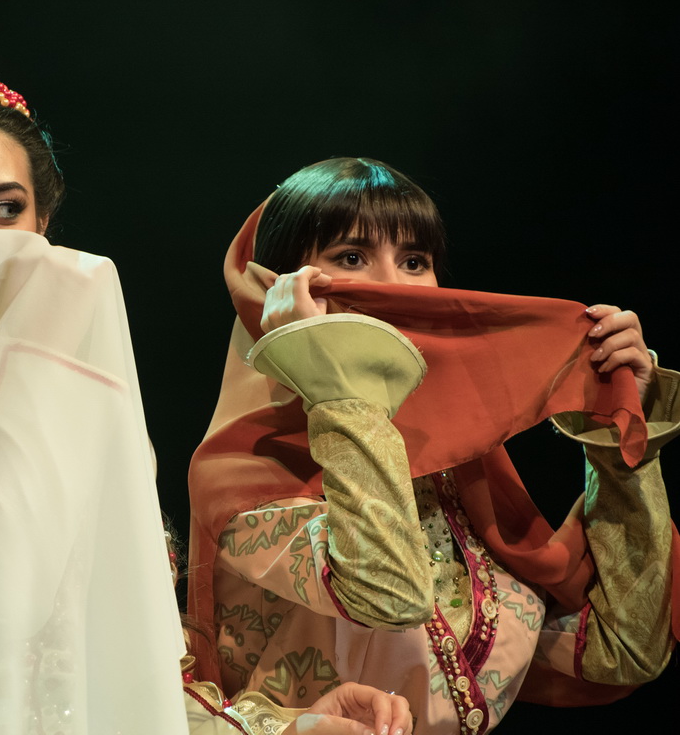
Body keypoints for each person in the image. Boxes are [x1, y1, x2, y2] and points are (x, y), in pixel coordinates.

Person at [0, 73, 414, 735]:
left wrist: (285, 730)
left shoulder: (82, 407)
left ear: (43, 225)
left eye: (5, 211)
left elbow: (125, 680)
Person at [187, 157, 679, 734]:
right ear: (278, 292)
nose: (393, 288)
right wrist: (325, 364)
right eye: (351, 258)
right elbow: (389, 598)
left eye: (415, 262)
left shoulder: (462, 477)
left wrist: (621, 441)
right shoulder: (245, 476)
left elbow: (624, 653)